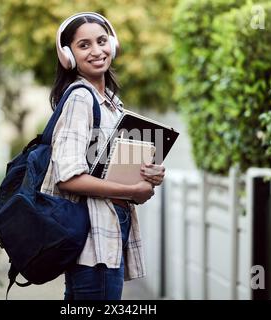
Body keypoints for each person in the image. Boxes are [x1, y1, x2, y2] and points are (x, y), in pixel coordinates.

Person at [40, 12, 166, 300]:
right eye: (84, 45)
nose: (97, 51)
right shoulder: (80, 98)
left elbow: (107, 168)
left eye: (101, 41)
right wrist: (132, 190)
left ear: (113, 44)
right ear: (67, 56)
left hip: (109, 230)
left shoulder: (110, 102)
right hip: (91, 240)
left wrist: (150, 174)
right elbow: (68, 177)